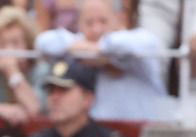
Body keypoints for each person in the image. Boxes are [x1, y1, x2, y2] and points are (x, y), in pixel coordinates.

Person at [36, 0, 169, 122]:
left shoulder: (139, 39)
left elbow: (142, 44)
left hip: (144, 132)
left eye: (103, 21)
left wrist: (99, 52)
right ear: (79, 23)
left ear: (120, 18)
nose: (96, 29)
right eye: (89, 23)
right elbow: (43, 42)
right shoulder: (80, 44)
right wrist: (83, 48)